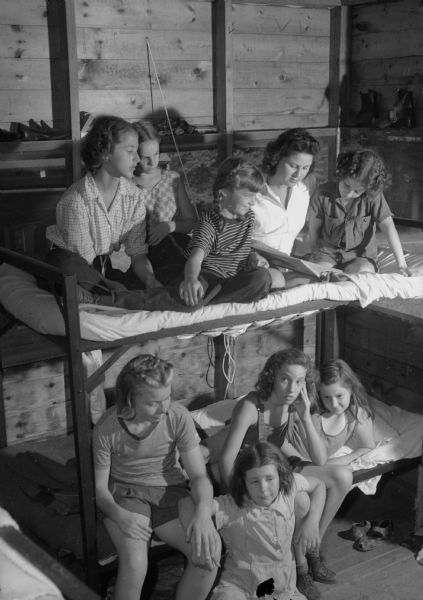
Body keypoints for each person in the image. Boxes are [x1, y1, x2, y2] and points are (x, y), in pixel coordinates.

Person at [215, 349, 353, 599]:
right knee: (301, 500)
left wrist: (305, 417)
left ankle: (312, 546)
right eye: (285, 379)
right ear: (271, 377)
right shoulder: (251, 406)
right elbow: (226, 460)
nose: (292, 387)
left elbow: (320, 458)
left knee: (343, 477)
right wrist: (238, 495)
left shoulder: (293, 405)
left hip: (275, 463)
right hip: (249, 473)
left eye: (299, 381)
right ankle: (300, 568)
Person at [92, 354, 221, 600]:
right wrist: (121, 517)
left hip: (168, 490)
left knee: (208, 557)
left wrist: (203, 513)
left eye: (167, 397)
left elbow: (197, 476)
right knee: (135, 564)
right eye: (153, 403)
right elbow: (100, 491)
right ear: (130, 399)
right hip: (126, 493)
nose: (164, 408)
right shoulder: (107, 428)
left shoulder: (177, 416)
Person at [179, 441, 326, 600]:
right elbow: (185, 503)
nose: (263, 488)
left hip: (283, 589)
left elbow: (319, 485)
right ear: (243, 481)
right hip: (242, 588)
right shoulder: (232, 505)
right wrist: (200, 525)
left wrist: (312, 521)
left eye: (269, 478)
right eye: (254, 481)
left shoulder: (289, 487)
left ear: (280, 474)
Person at [46, 115, 162, 302]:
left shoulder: (134, 197)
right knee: (68, 266)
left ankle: (107, 294)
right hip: (70, 266)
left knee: (156, 271)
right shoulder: (76, 201)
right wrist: (108, 284)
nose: (138, 158)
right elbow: (82, 262)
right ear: (105, 153)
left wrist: (151, 280)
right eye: (130, 151)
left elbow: (138, 254)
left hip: (100, 269)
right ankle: (103, 294)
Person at [179, 156, 273, 306]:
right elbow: (195, 259)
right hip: (209, 276)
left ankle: (212, 300)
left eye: (255, 196)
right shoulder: (209, 222)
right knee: (194, 294)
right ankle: (202, 300)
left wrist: (253, 257)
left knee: (264, 277)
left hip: (234, 278)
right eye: (248, 195)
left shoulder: (248, 218)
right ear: (223, 193)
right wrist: (191, 279)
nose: (253, 202)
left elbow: (242, 248)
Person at [308, 149, 412, 276]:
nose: (350, 193)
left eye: (357, 191)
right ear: (341, 174)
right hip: (327, 254)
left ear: (368, 188)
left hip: (361, 257)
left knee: (360, 274)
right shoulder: (322, 193)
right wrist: (315, 255)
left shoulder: (373, 197)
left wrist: (402, 265)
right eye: (346, 185)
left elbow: (389, 227)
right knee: (320, 273)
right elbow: (313, 230)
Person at [251, 128, 321, 288]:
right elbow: (229, 236)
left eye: (305, 168)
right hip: (254, 267)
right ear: (276, 159)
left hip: (285, 266)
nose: (298, 174)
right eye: (293, 166)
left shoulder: (303, 191)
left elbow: (292, 234)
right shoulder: (253, 192)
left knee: (326, 279)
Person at [132, 121, 197, 284]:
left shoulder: (172, 178)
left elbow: (191, 222)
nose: (152, 162)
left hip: (175, 245)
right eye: (145, 157)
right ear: (132, 153)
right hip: (144, 255)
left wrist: (170, 226)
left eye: (156, 154)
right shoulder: (126, 184)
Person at [315, 358, 376, 464]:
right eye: (326, 397)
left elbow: (368, 447)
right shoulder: (316, 409)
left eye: (339, 396)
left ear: (351, 389)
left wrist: (338, 461)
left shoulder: (356, 413)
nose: (334, 404)